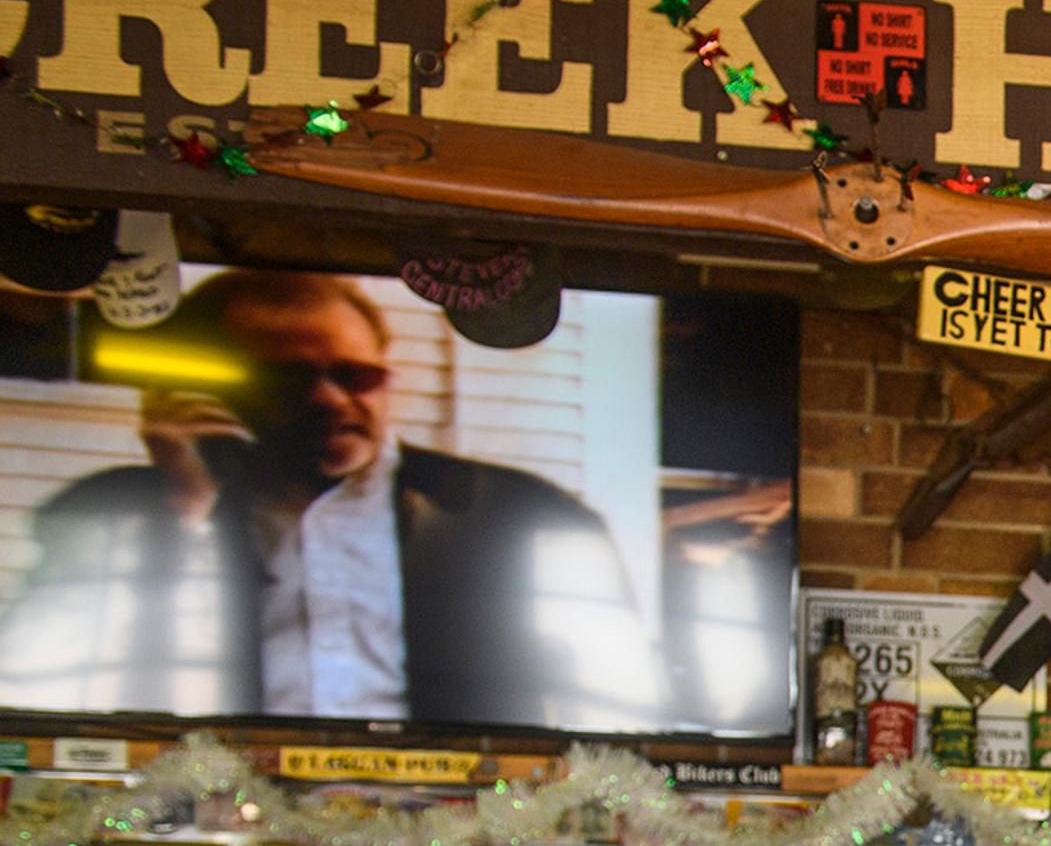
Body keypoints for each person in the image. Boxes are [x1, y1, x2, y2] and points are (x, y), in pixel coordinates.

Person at [0, 267, 644, 727]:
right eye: (287, 380)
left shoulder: (524, 517)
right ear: (202, 389)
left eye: (354, 375)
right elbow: (32, 692)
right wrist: (181, 516)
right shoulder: (109, 514)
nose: (331, 400)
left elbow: (623, 714)